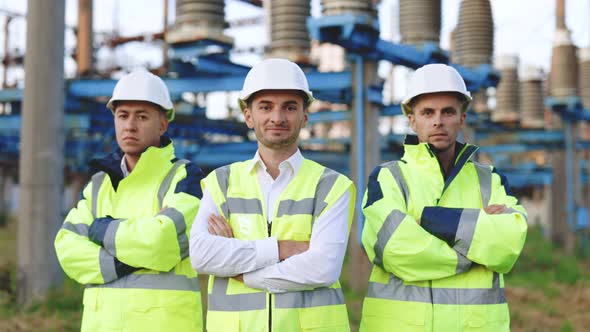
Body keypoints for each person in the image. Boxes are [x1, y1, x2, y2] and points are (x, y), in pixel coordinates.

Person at [189, 58, 355, 332]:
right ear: (248, 116)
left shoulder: (331, 186)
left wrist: (241, 271)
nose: (277, 117)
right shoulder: (221, 182)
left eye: (289, 107)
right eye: (265, 107)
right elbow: (202, 256)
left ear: (305, 115)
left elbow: (323, 267)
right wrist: (282, 249)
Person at [359, 64, 528, 331]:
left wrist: (427, 219)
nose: (438, 121)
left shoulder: (490, 180)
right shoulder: (388, 178)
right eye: (428, 112)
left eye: (448, 112)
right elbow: (395, 249)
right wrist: (473, 250)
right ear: (412, 120)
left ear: (462, 118)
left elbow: (507, 244)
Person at [54, 69, 205, 331]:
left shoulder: (184, 177)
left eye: (142, 116)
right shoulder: (100, 184)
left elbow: (162, 242)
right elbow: (67, 248)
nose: (130, 125)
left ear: (162, 124)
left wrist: (100, 230)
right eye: (123, 116)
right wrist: (136, 254)